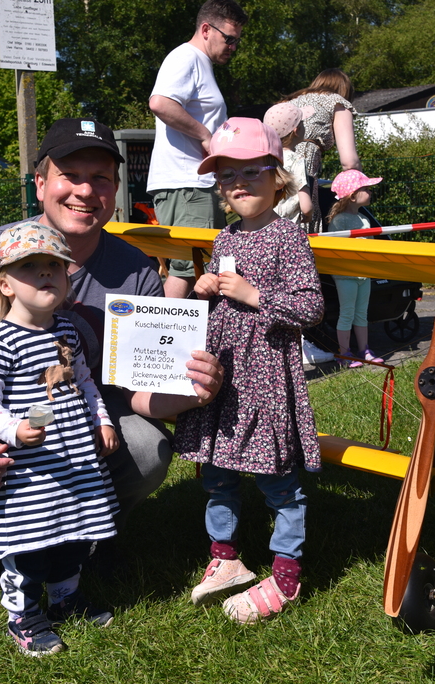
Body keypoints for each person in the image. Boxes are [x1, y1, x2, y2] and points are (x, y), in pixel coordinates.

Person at [0, 118, 224, 607]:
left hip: (80, 416)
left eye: (101, 178)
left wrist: (193, 391)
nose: (85, 191)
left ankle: (89, 532)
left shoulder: (135, 269)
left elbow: (135, 390)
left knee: (147, 448)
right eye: (70, 175)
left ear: (114, 189)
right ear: (40, 183)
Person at [175, 117, 323, 623]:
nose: (238, 184)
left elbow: (311, 307)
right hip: (223, 375)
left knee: (278, 481)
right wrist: (205, 289)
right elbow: (221, 298)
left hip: (266, 378)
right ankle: (226, 558)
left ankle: (286, 575)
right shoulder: (225, 238)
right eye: (226, 176)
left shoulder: (289, 238)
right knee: (217, 471)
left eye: (250, 172)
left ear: (277, 177)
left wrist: (254, 295)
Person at [0, 221, 119, 656]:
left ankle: (66, 598)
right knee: (29, 545)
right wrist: (14, 429)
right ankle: (24, 615)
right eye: (30, 267)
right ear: (6, 285)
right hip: (30, 472)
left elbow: (85, 383)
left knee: (73, 536)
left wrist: (102, 421)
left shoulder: (66, 331)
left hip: (74, 461)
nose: (46, 273)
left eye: (54, 266)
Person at [147, 0, 248, 299]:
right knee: (189, 270)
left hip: (195, 185)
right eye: (229, 39)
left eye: (237, 41)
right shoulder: (186, 57)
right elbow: (160, 103)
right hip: (188, 185)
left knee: (202, 270)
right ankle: (156, 331)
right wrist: (205, 136)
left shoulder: (199, 63)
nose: (233, 47)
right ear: (206, 29)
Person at [263, 101, 332, 365]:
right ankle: (300, 346)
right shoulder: (295, 158)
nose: (304, 127)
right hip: (288, 236)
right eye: (302, 123)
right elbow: (305, 206)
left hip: (263, 231)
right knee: (293, 291)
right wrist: (309, 217)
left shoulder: (265, 158)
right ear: (294, 131)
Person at [288, 69, 362, 233]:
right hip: (304, 173)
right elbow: (349, 162)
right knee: (302, 227)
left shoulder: (290, 102)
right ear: (344, 91)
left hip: (273, 172)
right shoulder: (337, 102)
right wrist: (361, 184)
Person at [324, 170, 385, 368]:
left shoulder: (364, 219)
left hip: (362, 273)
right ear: (352, 196)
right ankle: (344, 353)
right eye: (365, 188)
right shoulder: (339, 221)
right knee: (347, 313)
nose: (370, 191)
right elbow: (337, 249)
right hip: (346, 275)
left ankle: (364, 350)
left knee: (361, 313)